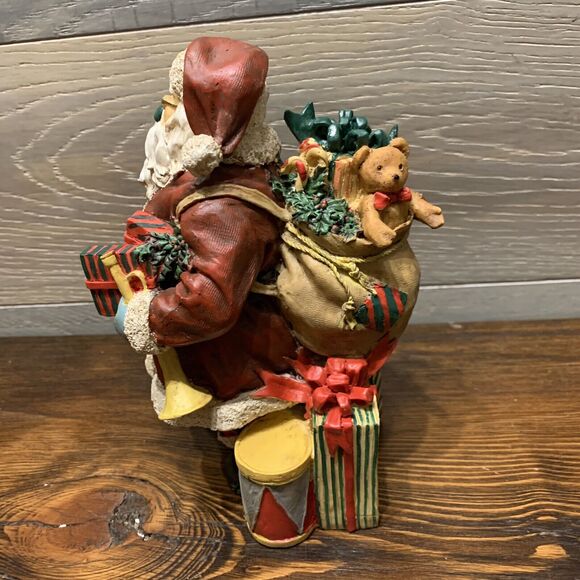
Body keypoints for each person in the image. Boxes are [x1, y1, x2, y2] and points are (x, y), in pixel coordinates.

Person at [115, 37, 297, 410]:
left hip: (237, 360)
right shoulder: (236, 172)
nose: (162, 114)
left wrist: (149, 316)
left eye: (174, 102)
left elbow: (209, 302)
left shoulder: (222, 210)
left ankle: (243, 430)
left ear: (205, 119)